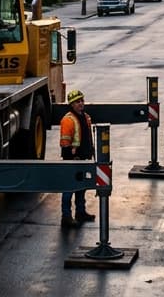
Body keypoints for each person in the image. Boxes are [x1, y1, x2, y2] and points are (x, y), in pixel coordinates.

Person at [59, 88, 95, 227]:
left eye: (82, 101)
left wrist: (90, 152)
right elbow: (65, 143)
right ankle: (66, 216)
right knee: (69, 188)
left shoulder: (85, 117)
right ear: (71, 104)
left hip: (83, 158)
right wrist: (70, 157)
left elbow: (86, 137)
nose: (80, 103)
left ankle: (80, 212)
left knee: (81, 186)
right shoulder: (68, 120)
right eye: (77, 102)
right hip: (72, 160)